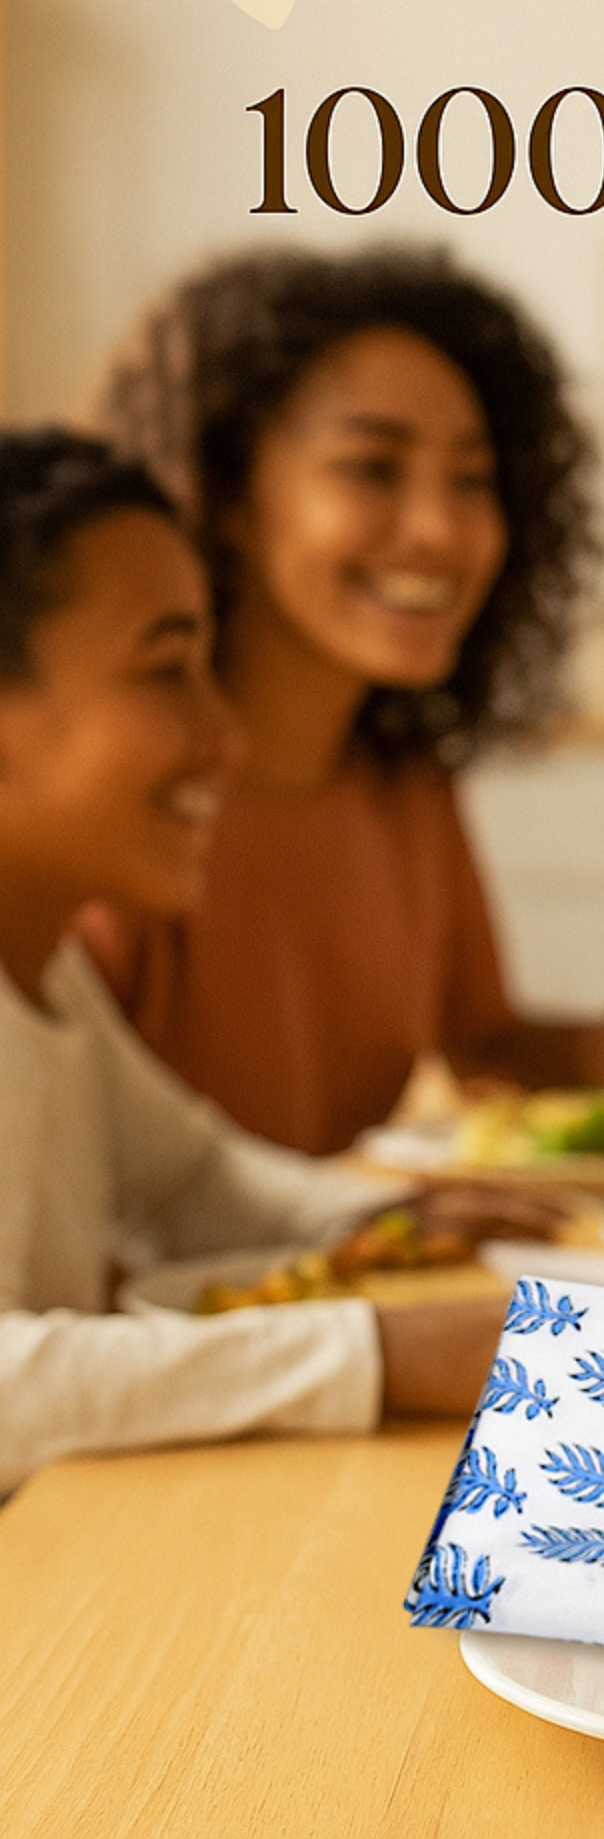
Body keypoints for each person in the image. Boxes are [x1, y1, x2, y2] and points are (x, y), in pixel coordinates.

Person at [77, 246, 604, 1154]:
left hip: (337, 1279)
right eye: (372, 468)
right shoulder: (122, 797)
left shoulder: (405, 785)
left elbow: (479, 1043)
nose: (442, 530)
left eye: (473, 480)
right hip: (194, 1296)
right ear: (224, 497)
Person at [0, 429, 528, 1495]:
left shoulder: (43, 967)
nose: (222, 735)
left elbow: (188, 1174)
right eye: (166, 671)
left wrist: (376, 1218)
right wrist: (377, 1353)